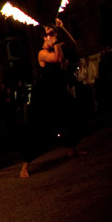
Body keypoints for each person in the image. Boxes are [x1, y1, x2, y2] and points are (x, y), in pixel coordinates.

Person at [19, 19, 81, 178]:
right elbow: (57, 59)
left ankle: (71, 148)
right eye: (46, 35)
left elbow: (75, 46)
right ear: (43, 38)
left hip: (58, 92)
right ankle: (25, 166)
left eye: (51, 35)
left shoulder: (57, 47)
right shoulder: (42, 53)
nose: (48, 38)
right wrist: (55, 42)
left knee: (72, 115)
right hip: (45, 96)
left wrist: (63, 28)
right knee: (41, 129)